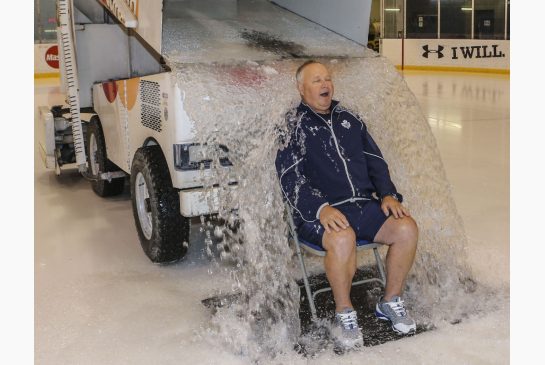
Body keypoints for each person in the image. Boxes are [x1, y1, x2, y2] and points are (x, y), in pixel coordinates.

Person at [275, 60, 418, 348]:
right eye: (316, 80)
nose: (325, 84)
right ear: (300, 88)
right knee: (343, 239)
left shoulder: (349, 118)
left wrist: (388, 194)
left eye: (327, 79)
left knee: (406, 228)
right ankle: (344, 312)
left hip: (363, 206)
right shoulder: (291, 124)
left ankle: (390, 300)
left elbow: (376, 162)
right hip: (317, 212)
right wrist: (320, 208)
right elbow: (289, 177)